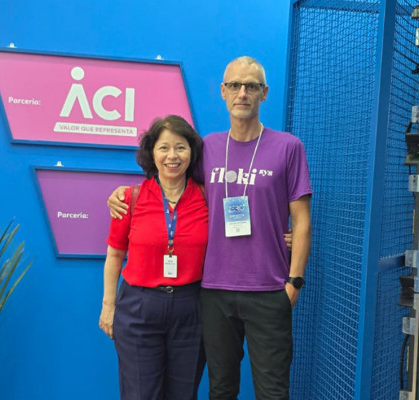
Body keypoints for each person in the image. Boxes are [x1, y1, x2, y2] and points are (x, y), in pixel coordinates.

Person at [108, 56, 312, 400]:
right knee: (221, 389)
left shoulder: (289, 147)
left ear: (264, 93)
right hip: (214, 291)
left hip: (269, 288)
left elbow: (302, 220)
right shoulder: (208, 148)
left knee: (273, 392)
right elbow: (171, 182)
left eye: (251, 86)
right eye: (234, 85)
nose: (242, 93)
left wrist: (294, 281)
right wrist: (122, 193)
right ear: (223, 91)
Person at [99, 115, 208, 400]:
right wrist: (108, 306)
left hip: (191, 309)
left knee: (183, 394)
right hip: (138, 308)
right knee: (140, 394)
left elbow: (240, 228)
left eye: (181, 147)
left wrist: (284, 237)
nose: (172, 156)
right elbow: (114, 255)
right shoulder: (129, 198)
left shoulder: (207, 198)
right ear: (152, 153)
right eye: (164, 148)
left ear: (192, 153)